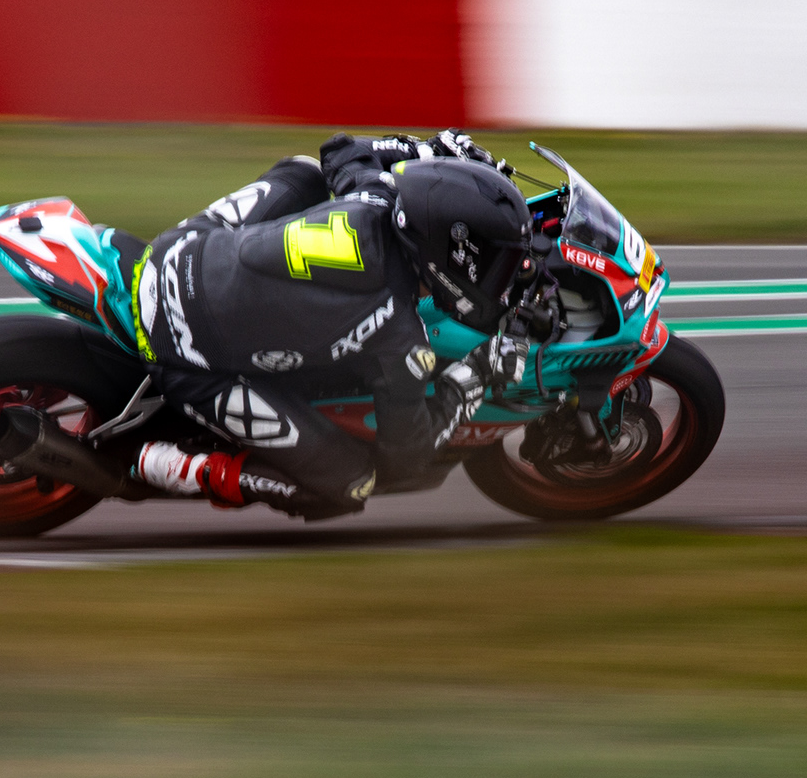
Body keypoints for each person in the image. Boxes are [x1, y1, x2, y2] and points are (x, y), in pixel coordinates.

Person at [129, 130, 534, 520]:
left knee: (306, 172)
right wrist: (476, 375)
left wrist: (425, 150)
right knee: (352, 482)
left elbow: (339, 149)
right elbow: (406, 458)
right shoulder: (401, 340)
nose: (499, 281)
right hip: (181, 355)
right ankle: (173, 466)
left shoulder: (377, 193)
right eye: (493, 267)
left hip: (174, 251)